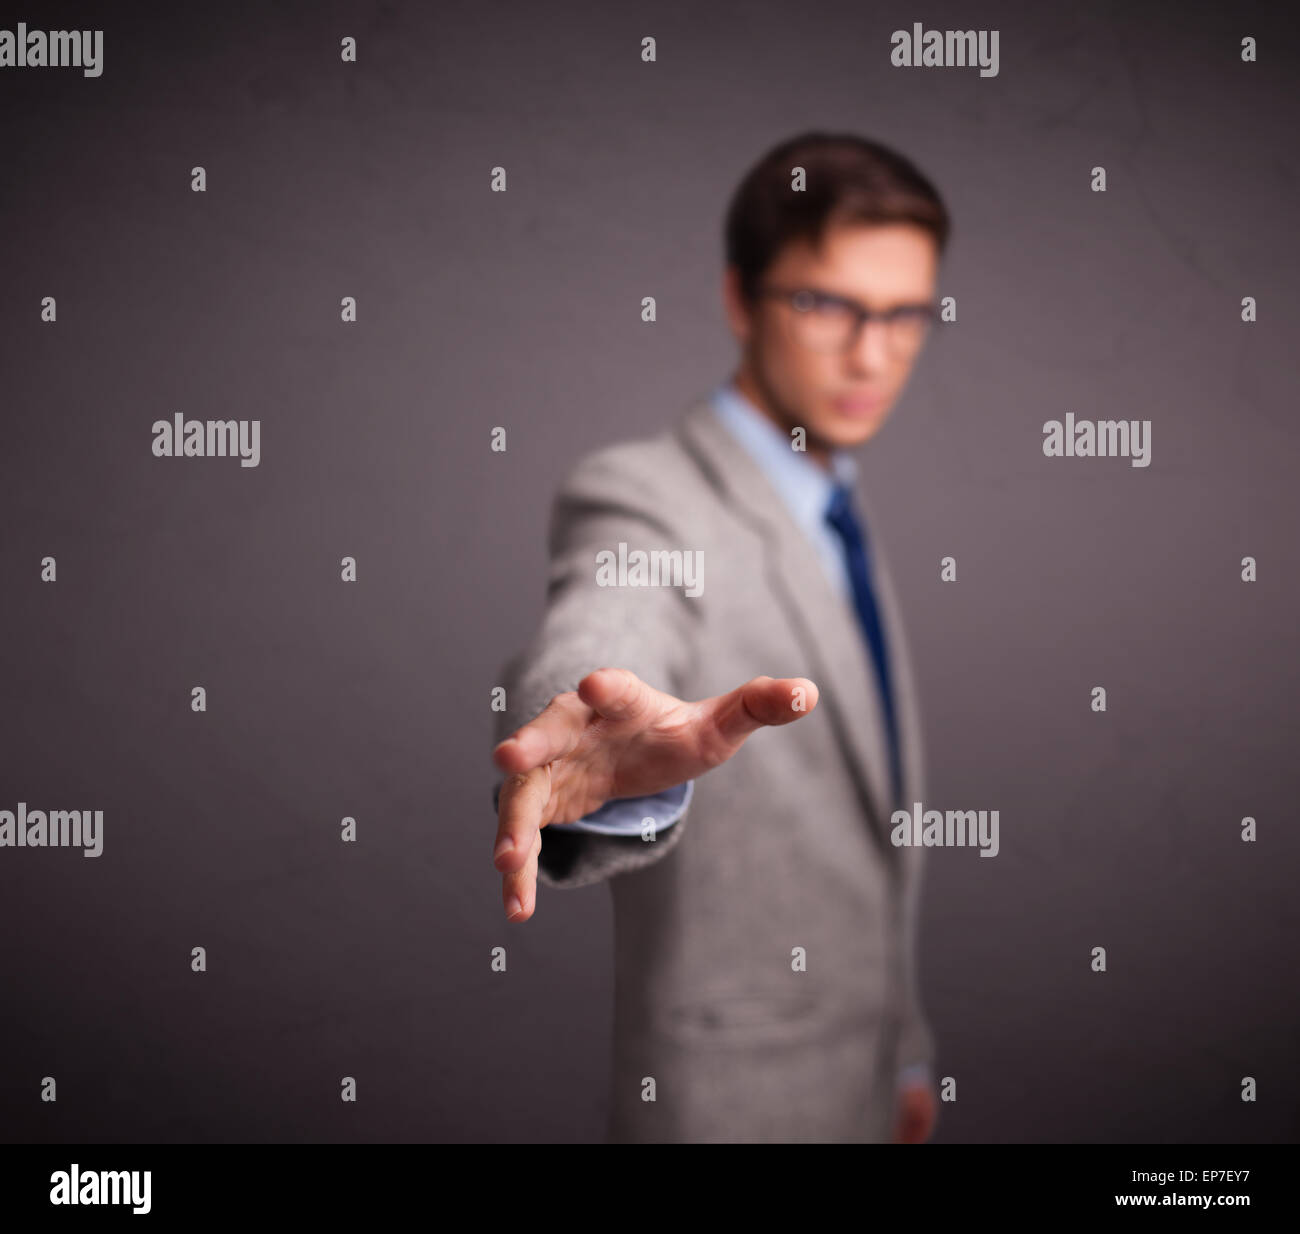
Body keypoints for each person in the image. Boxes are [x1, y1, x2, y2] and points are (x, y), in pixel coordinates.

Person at [491, 130, 949, 1143]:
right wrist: (593, 714)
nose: (872, 353)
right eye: (828, 304)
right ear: (742, 298)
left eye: (906, 313)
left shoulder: (830, 498)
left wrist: (901, 1051)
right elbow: (614, 603)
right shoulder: (647, 494)